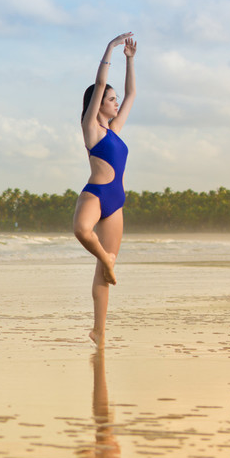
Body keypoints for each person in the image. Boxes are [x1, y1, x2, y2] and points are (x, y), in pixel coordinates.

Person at [74, 32, 137, 347]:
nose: (116, 103)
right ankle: (107, 258)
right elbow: (100, 84)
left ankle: (99, 331)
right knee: (82, 230)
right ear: (98, 104)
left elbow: (132, 94)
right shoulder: (92, 129)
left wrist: (130, 61)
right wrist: (110, 48)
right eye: (111, 100)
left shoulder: (114, 130)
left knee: (103, 273)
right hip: (96, 195)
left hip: (116, 202)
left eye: (115, 100)